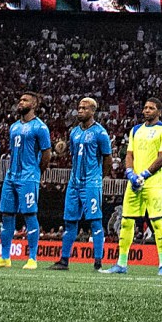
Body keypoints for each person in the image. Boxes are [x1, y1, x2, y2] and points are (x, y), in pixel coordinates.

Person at [117, 96, 162, 275]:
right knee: (126, 221)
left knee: (157, 223)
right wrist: (129, 173)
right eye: (145, 108)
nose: (146, 111)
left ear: (159, 111)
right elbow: (129, 154)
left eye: (150, 108)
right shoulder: (135, 130)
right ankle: (121, 264)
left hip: (153, 184)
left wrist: (144, 174)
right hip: (134, 183)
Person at [58, 97, 114, 271]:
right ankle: (64, 260)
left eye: (84, 108)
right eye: (79, 108)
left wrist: (98, 178)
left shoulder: (100, 133)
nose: (79, 111)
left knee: (95, 221)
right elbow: (74, 156)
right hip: (74, 183)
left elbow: (108, 159)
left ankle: (98, 262)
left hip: (91, 183)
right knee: (69, 222)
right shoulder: (74, 132)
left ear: (92, 111)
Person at [5, 93, 50, 265]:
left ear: (34, 105)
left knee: (30, 215)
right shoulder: (14, 127)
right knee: (7, 215)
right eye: (20, 100)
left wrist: (37, 172)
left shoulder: (40, 127)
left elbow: (46, 154)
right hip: (11, 177)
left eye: (25, 100)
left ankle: (32, 258)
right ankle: (4, 257)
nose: (20, 102)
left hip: (28, 176)